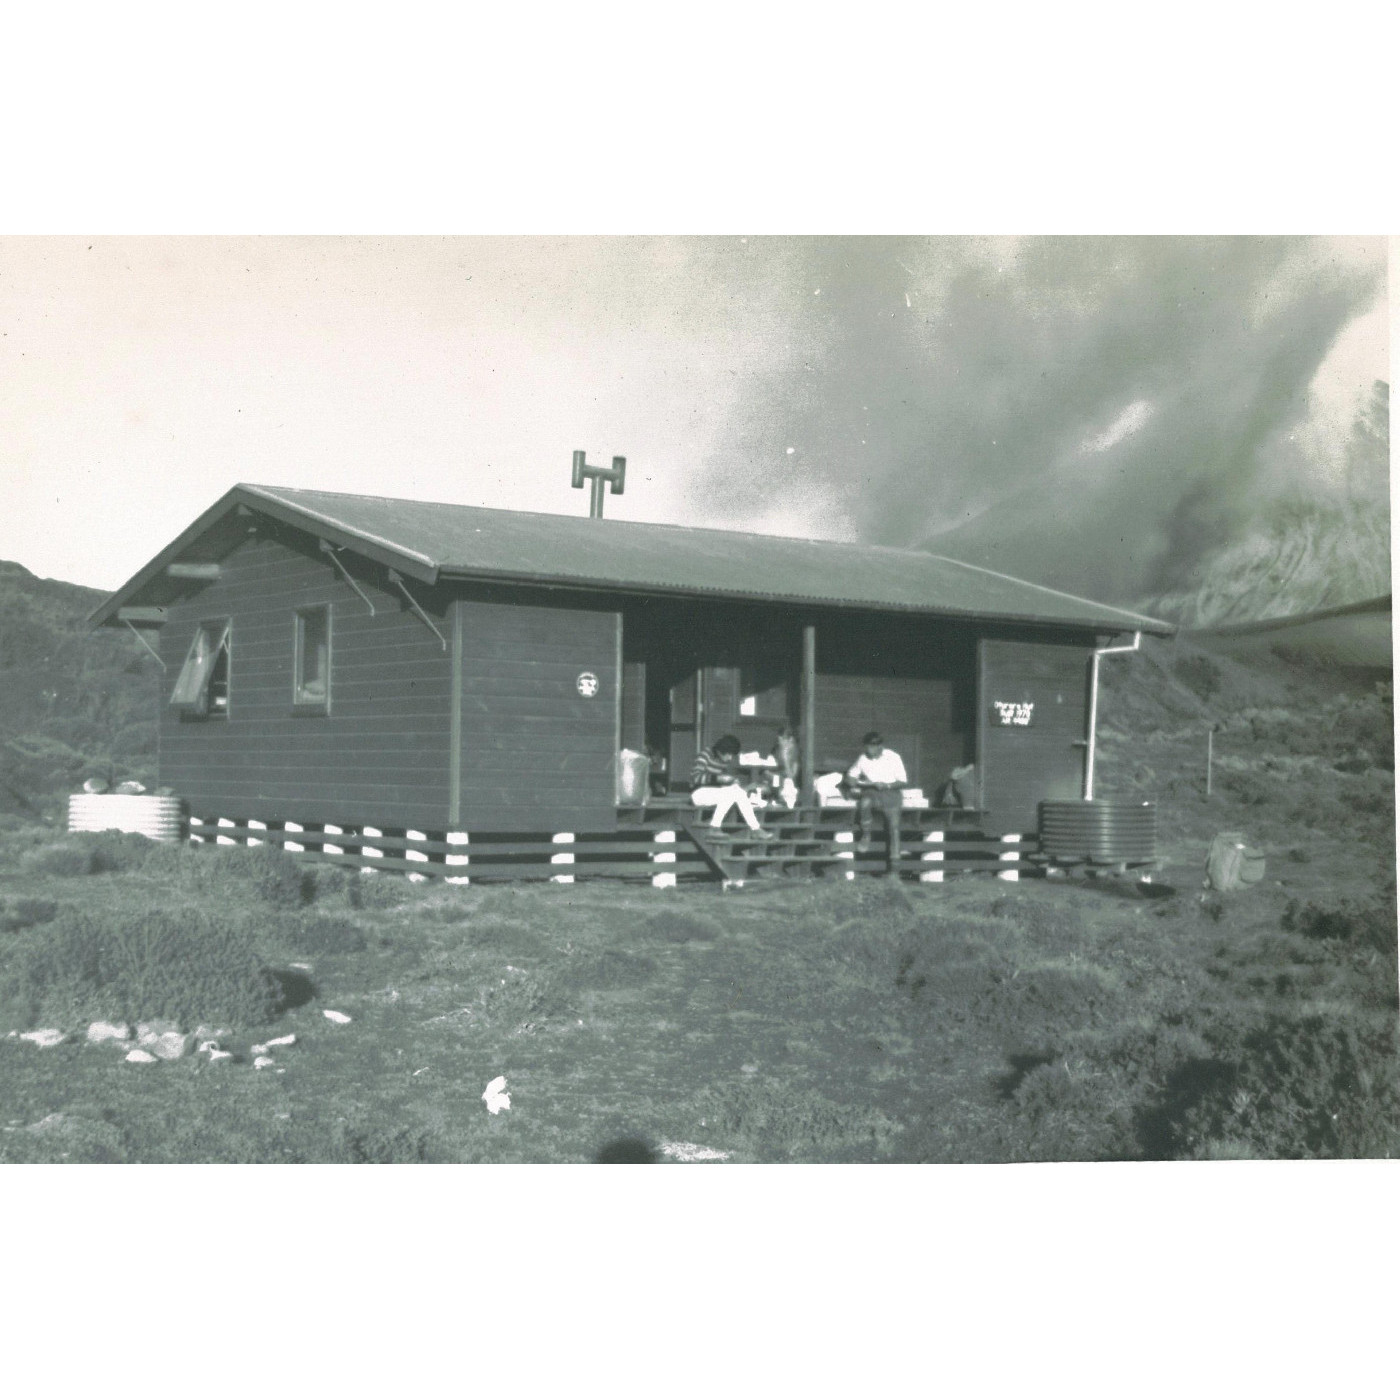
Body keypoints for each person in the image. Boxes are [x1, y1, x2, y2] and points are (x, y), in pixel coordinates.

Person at [691, 734, 776, 837]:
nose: (730, 758)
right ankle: (714, 827)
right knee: (732, 793)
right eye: (728, 754)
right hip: (698, 793)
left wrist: (732, 783)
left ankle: (755, 829)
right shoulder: (706, 755)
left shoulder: (723, 761)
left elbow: (720, 787)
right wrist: (719, 778)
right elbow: (695, 778)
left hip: (713, 794)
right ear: (720, 751)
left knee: (737, 792)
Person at [846, 730, 908, 871]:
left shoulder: (893, 757)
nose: (868, 750)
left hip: (891, 793)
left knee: (894, 827)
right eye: (866, 747)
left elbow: (903, 782)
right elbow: (851, 776)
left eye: (871, 747)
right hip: (872, 792)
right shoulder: (863, 758)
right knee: (865, 802)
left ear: (880, 746)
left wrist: (886, 785)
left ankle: (894, 868)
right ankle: (866, 835)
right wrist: (853, 781)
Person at [769, 722, 800, 808]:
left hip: (790, 785)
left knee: (777, 782)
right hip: (778, 780)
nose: (780, 743)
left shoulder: (795, 752)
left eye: (782, 740)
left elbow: (791, 776)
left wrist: (785, 758)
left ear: (790, 740)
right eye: (779, 740)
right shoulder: (778, 750)